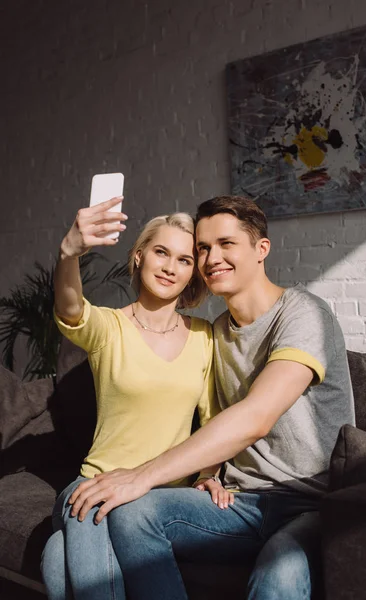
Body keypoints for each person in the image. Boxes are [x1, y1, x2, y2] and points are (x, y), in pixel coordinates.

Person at [57, 195, 355, 600]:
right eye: (203, 248)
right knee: (128, 516)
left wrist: (143, 475)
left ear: (261, 249)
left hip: (308, 504)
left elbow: (254, 417)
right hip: (242, 503)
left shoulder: (304, 314)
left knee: (279, 577)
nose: (211, 257)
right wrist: (209, 475)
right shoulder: (216, 332)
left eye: (226, 244)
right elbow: (211, 414)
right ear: (140, 257)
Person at [41, 196, 231, 600]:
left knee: (57, 559)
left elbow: (213, 419)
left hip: (163, 496)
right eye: (161, 252)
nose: (169, 266)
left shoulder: (204, 336)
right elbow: (72, 307)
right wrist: (68, 252)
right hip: (95, 485)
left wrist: (208, 475)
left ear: (192, 274)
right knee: (87, 515)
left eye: (183, 260)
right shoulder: (110, 327)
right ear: (140, 256)